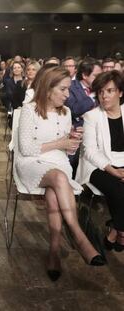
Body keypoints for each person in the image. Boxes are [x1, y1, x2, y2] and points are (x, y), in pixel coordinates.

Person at [16, 66, 105, 282]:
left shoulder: (66, 112)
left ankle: (54, 251)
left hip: (58, 163)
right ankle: (78, 235)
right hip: (31, 163)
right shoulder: (30, 110)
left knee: (55, 189)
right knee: (58, 178)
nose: (68, 94)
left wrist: (73, 142)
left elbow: (66, 151)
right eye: (63, 89)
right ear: (48, 89)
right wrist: (60, 142)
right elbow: (26, 148)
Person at [75, 70, 124, 252]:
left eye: (110, 91)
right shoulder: (92, 116)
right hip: (98, 166)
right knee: (118, 189)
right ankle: (120, 231)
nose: (104, 96)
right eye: (101, 92)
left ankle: (115, 230)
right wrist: (113, 170)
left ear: (120, 92)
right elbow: (89, 151)